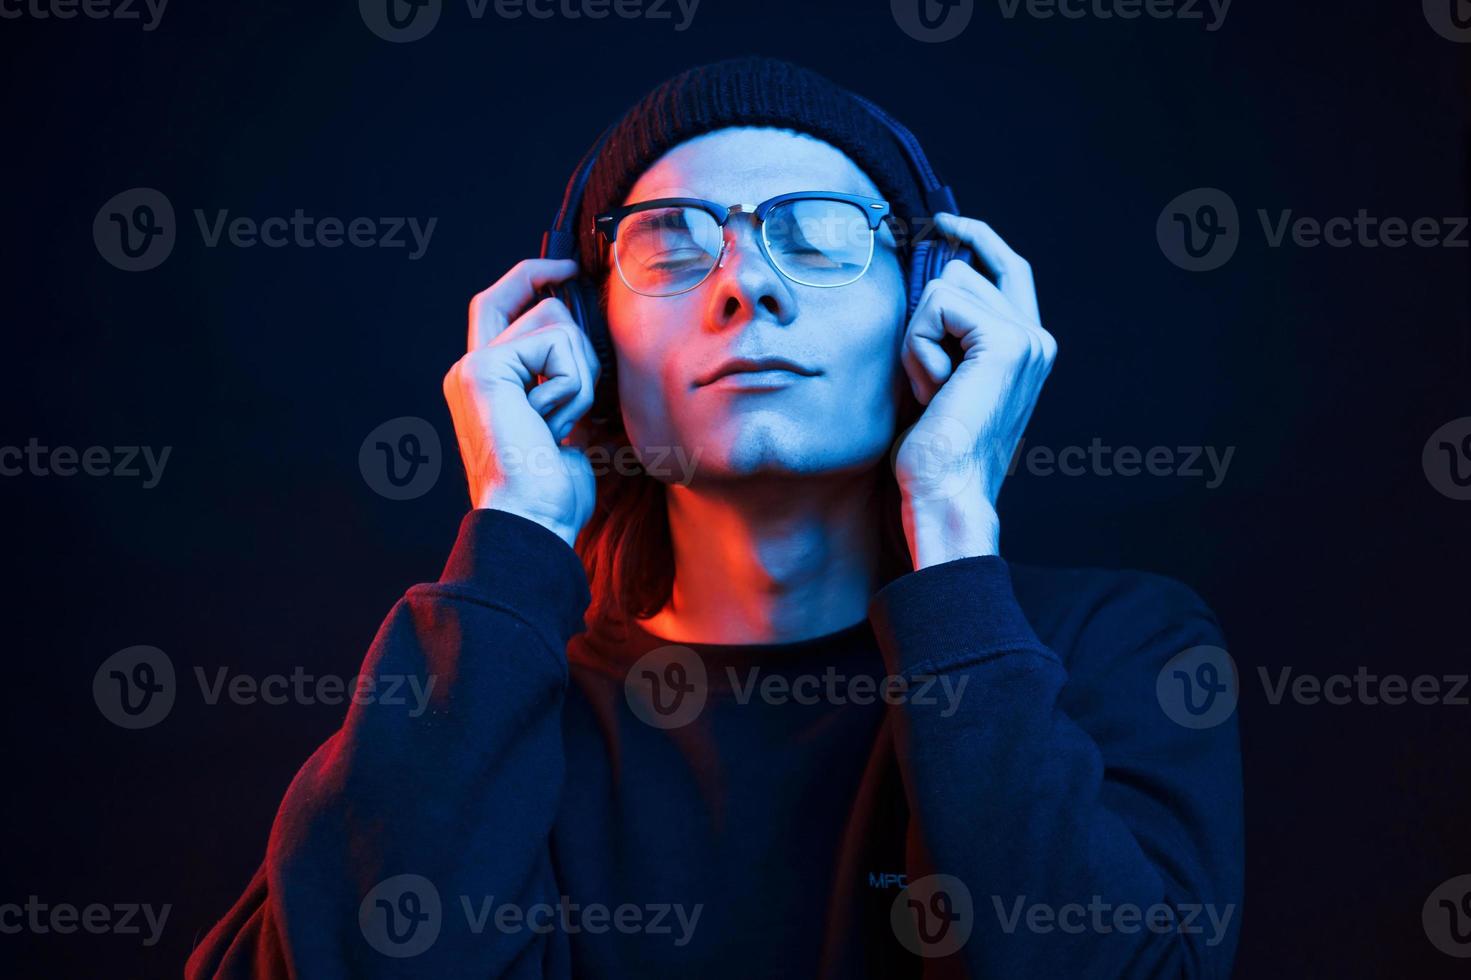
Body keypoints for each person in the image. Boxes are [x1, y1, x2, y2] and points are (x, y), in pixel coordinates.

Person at [186, 56, 1242, 979]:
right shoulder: (484, 698)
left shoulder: (1117, 650)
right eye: (669, 244)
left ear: (931, 304)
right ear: (589, 342)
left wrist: (954, 519)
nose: (746, 285)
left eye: (823, 238)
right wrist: (514, 525)